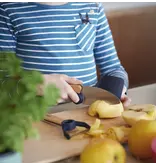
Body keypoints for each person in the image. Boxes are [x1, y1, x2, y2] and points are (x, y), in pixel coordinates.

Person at [0, 2, 131, 107]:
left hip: (87, 113)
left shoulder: (93, 7)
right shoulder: (7, 10)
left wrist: (116, 88)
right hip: (33, 118)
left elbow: (114, 70)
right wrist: (35, 85)